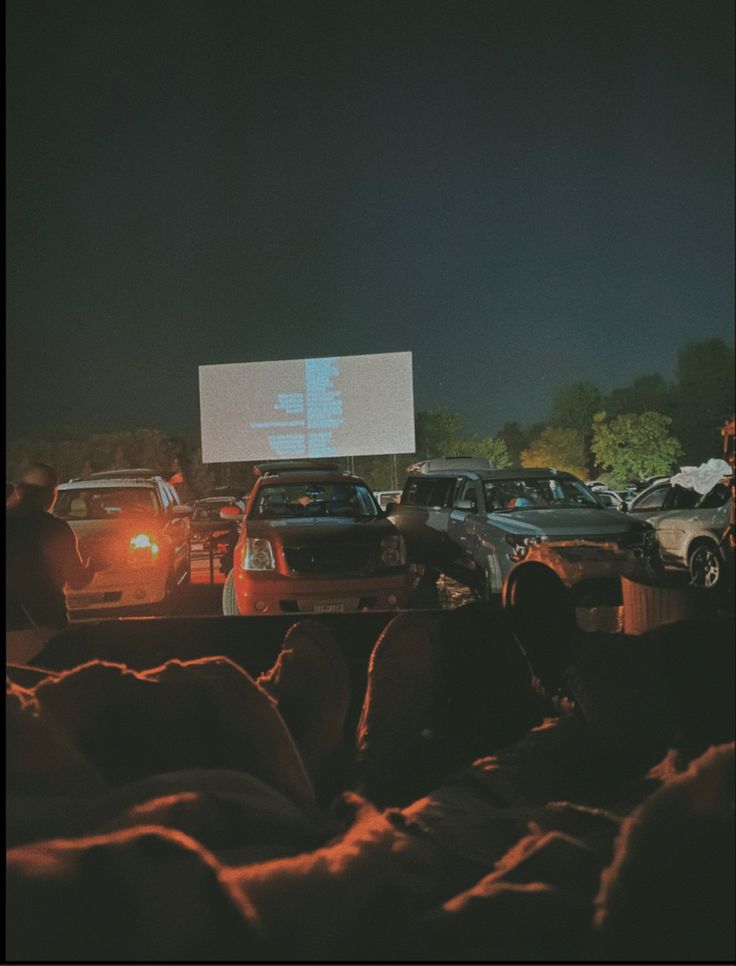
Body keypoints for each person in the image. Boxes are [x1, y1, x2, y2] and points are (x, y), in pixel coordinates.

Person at [6, 464, 104, 663]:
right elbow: (77, 580)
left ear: (19, 491)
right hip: (41, 626)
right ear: (52, 494)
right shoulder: (55, 529)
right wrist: (94, 563)